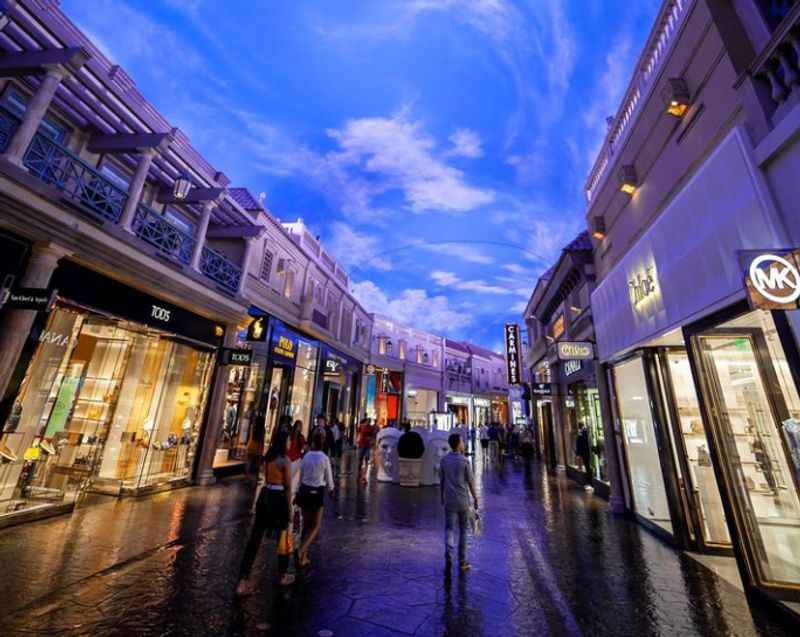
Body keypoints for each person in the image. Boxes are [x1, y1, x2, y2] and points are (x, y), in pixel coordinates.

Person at [236, 432, 295, 595]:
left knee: (255, 539)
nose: (290, 443)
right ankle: (282, 575)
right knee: (283, 538)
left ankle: (243, 579)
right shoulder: (285, 461)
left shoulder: (268, 458)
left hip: (265, 496)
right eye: (289, 440)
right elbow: (288, 486)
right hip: (278, 498)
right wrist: (289, 508)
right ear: (284, 442)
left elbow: (265, 475)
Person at [440, 433, 479, 573]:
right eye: (462, 441)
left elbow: (442, 481)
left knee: (449, 529)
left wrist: (441, 497)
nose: (463, 444)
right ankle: (462, 561)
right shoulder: (464, 461)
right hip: (463, 501)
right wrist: (476, 498)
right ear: (458, 444)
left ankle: (448, 557)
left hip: (449, 500)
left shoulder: (444, 460)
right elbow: (471, 482)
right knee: (463, 531)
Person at [296, 429, 335, 569]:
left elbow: (301, 474)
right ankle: (301, 551)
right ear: (322, 443)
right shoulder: (324, 458)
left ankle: (304, 557)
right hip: (317, 492)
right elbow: (329, 478)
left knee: (306, 526)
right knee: (316, 526)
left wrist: (298, 490)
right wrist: (331, 490)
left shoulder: (306, 457)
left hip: (305, 490)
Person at [356, 417, 377, 484]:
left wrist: (371, 440)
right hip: (362, 445)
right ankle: (359, 473)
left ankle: (364, 476)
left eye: (369, 421)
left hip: (367, 446)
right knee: (360, 460)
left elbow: (373, 435)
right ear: (365, 422)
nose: (368, 422)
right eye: (367, 421)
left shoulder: (371, 428)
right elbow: (358, 434)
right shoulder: (361, 427)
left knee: (366, 460)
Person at [575, 423, 593, 491]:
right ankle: (589, 482)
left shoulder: (582, 434)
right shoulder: (585, 433)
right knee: (587, 467)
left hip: (585, 453)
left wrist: (578, 454)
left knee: (587, 467)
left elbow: (579, 445)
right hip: (587, 453)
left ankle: (589, 483)